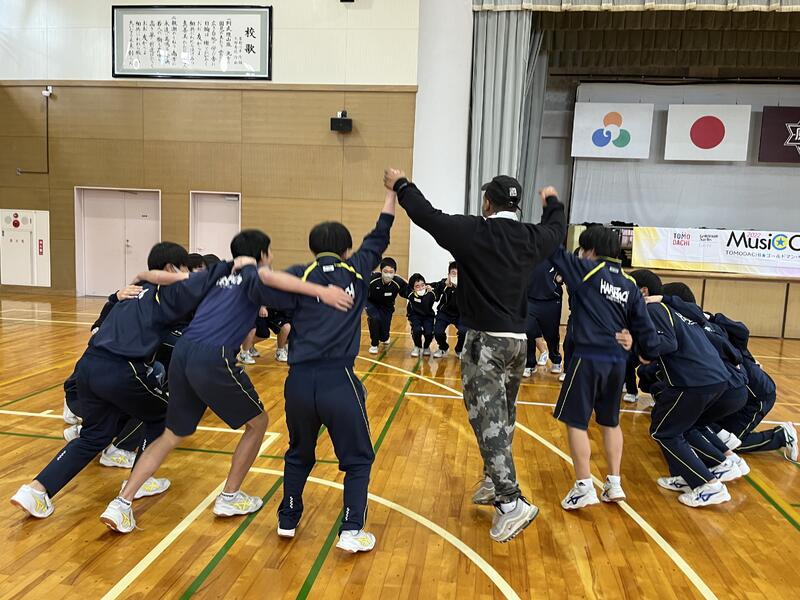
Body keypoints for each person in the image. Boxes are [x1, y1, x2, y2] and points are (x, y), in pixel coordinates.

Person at [99, 230, 353, 533]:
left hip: (184, 352)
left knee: (172, 434)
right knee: (258, 423)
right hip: (213, 355)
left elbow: (173, 278)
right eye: (269, 253)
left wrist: (144, 275)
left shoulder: (217, 271)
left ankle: (121, 503)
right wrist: (322, 291)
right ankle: (229, 497)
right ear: (263, 254)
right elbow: (271, 279)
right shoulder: (253, 274)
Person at [385, 168, 565, 543]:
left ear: (488, 203)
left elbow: (427, 215)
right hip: (518, 343)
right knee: (504, 416)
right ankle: (493, 480)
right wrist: (552, 203)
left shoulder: (474, 232)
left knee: (488, 420)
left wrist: (401, 185)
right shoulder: (531, 237)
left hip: (486, 342)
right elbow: (556, 228)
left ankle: (510, 503)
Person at [10, 242, 230, 519]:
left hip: (89, 367)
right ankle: (137, 485)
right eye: (185, 269)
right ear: (171, 268)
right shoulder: (170, 292)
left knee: (94, 436)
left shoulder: (134, 289)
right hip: (122, 369)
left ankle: (36, 490)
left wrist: (120, 291)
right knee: (164, 416)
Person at [274, 190, 396, 553]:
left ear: (313, 248)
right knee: (358, 458)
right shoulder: (356, 269)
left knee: (299, 451)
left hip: (298, 382)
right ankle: (351, 528)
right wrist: (391, 192)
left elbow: (262, 290)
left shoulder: (298, 275)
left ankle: (287, 518)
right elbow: (381, 232)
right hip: (338, 379)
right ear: (346, 249)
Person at [548, 227, 662, 510]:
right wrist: (646, 352)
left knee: (576, 421)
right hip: (617, 363)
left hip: (588, 358)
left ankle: (584, 485)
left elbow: (552, 249)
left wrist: (551, 212)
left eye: (583, 249)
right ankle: (614, 483)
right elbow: (645, 327)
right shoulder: (629, 283)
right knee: (610, 422)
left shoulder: (587, 270)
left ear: (591, 250)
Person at [630, 270, 733, 508]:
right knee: (677, 428)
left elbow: (667, 343)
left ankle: (709, 485)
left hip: (695, 380)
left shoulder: (653, 309)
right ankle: (690, 475)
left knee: (664, 432)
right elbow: (699, 316)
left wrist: (642, 350)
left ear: (643, 291)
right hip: (715, 378)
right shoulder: (675, 309)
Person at [523, 260, 564, 378]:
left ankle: (556, 360)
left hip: (551, 300)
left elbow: (566, 271)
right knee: (528, 331)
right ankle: (530, 364)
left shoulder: (556, 255)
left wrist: (561, 277)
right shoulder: (529, 252)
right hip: (530, 298)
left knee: (551, 334)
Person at [365, 257, 407, 354]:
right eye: (385, 271)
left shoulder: (398, 282)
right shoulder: (372, 279)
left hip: (387, 306)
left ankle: (384, 337)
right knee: (374, 319)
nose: (388, 274)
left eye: (391, 272)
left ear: (395, 272)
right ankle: (374, 344)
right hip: (372, 303)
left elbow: (408, 291)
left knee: (384, 337)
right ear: (381, 271)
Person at [432, 261, 465, 358]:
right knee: (437, 332)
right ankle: (443, 348)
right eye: (453, 273)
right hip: (444, 313)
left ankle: (459, 350)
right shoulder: (444, 283)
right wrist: (442, 287)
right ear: (449, 274)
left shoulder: (466, 286)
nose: (456, 276)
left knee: (464, 332)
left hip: (461, 314)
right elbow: (435, 294)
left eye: (459, 274)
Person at [406, 273, 436, 357]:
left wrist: (432, 289)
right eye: (417, 286)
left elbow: (439, 287)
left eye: (423, 285)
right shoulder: (410, 294)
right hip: (415, 316)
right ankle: (417, 346)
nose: (421, 288)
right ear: (413, 288)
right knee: (417, 330)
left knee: (429, 333)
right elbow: (404, 283)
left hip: (428, 316)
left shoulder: (431, 294)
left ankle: (426, 347)